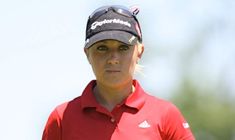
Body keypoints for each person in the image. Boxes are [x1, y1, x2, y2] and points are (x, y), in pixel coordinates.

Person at [42, 5, 195, 140]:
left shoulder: (165, 115)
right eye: (102, 48)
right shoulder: (62, 118)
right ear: (87, 53)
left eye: (123, 48)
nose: (113, 59)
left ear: (139, 51)